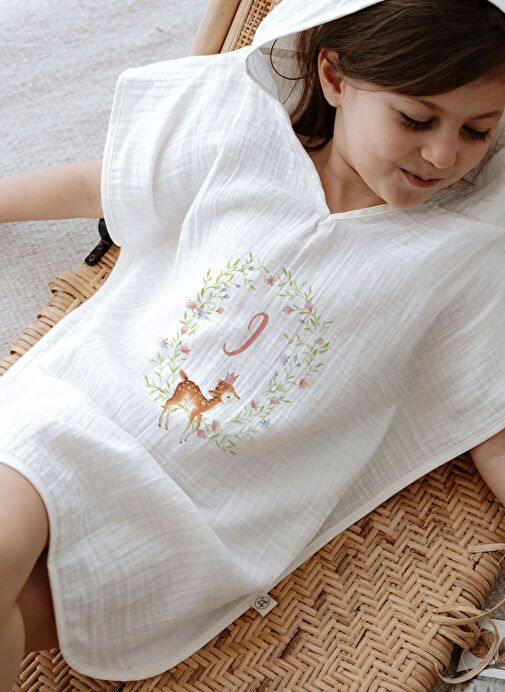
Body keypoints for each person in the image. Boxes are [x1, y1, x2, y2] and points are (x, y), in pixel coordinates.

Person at [1, 0, 505, 687]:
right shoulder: (245, 144)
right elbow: (103, 182)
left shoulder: (463, 260)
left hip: (193, 525)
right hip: (82, 417)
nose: (443, 155)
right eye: (415, 120)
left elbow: (487, 419)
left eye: (477, 132)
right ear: (334, 77)